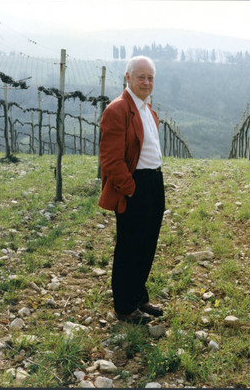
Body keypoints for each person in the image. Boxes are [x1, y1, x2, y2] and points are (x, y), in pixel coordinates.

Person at [98, 56, 165, 324]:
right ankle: (125, 307)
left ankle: (139, 297)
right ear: (128, 77)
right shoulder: (117, 110)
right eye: (141, 77)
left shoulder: (148, 110)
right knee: (129, 246)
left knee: (147, 244)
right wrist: (131, 189)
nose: (146, 82)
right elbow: (111, 160)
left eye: (150, 78)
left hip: (153, 184)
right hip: (135, 185)